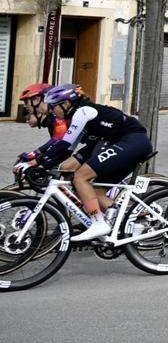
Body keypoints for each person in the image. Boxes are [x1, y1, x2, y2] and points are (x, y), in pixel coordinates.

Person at [13, 84, 153, 242]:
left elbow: (64, 144)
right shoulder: (74, 116)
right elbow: (67, 150)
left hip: (132, 141)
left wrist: (34, 163)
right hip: (119, 142)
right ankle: (131, 220)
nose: (51, 111)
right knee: (96, 190)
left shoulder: (82, 111)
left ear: (65, 104)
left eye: (53, 107)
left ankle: (98, 223)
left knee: (80, 177)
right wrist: (41, 166)